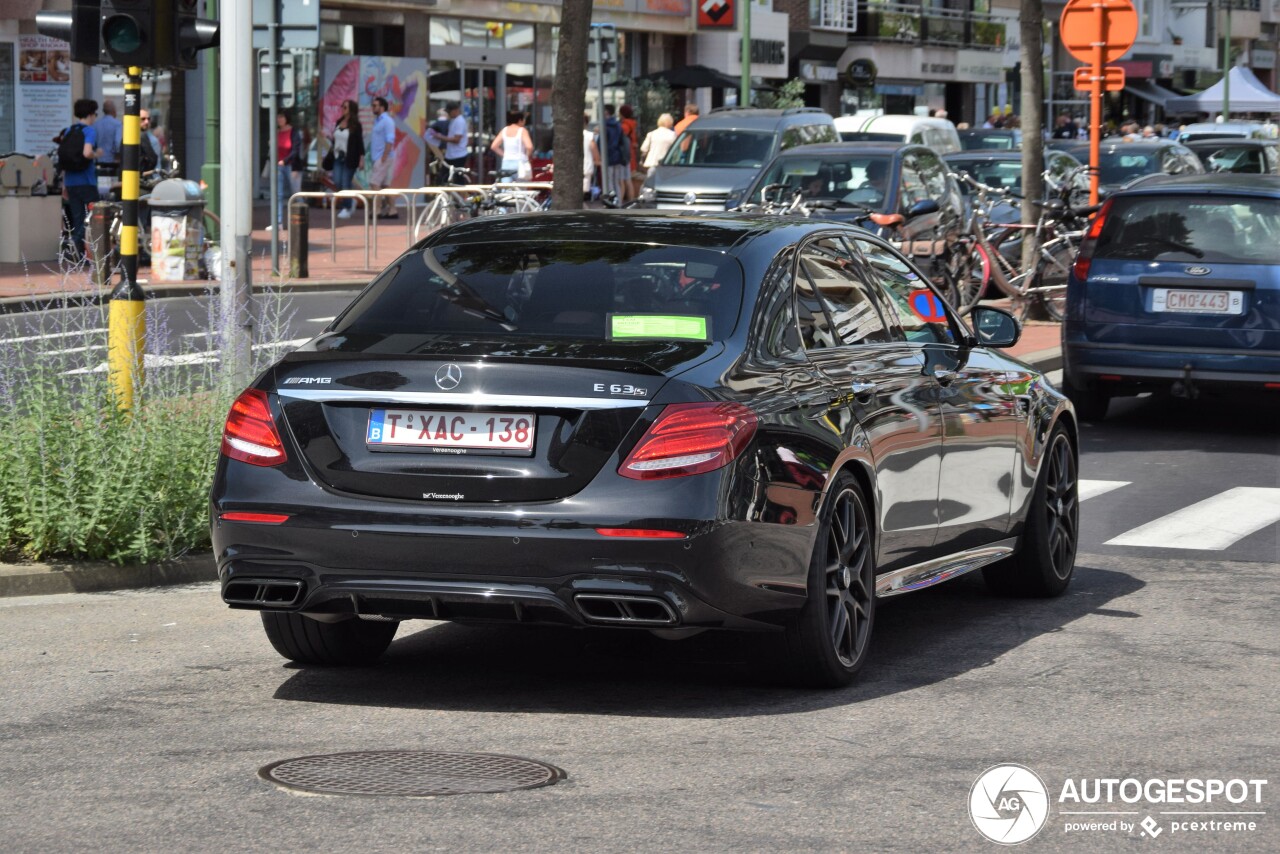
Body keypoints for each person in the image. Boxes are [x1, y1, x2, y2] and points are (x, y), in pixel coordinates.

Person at [58, 98, 101, 261]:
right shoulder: (89, 131)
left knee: (77, 218)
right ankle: (77, 245)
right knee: (94, 217)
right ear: (91, 114)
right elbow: (87, 153)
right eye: (95, 114)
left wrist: (64, 185)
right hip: (87, 182)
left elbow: (63, 159)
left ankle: (77, 253)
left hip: (70, 182)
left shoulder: (69, 131)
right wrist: (97, 154)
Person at [330, 98, 365, 219]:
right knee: (337, 181)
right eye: (342, 106)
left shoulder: (356, 125)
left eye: (345, 107)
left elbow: (360, 143)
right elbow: (335, 139)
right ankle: (351, 200)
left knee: (345, 182)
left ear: (351, 110)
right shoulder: (339, 121)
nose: (342, 109)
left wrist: (361, 159)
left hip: (350, 157)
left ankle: (347, 207)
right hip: (337, 156)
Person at [269, 111, 303, 231]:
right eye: (278, 117)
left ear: (286, 118)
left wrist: (285, 160)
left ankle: (302, 218)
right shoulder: (277, 132)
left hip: (291, 166)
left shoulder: (294, 132)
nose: (279, 119)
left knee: (296, 194)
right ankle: (277, 222)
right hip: (278, 166)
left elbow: (295, 150)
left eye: (281, 117)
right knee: (278, 194)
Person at [369, 96, 396, 218]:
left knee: (374, 183)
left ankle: (377, 210)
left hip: (383, 156)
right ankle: (393, 210)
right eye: (372, 105)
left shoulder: (387, 120)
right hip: (381, 156)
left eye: (375, 105)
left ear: (382, 107)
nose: (373, 108)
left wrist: (384, 157)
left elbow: (390, 139)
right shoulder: (378, 120)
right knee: (385, 186)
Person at [489, 110, 533, 181]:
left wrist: (505, 154)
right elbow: (529, 146)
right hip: (520, 162)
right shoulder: (522, 130)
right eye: (523, 120)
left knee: (506, 188)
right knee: (520, 189)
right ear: (519, 120)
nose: (524, 122)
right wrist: (526, 157)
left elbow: (494, 146)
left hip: (506, 162)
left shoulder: (504, 130)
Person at [600, 104, 630, 200]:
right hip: (617, 156)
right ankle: (618, 202)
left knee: (609, 182)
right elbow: (622, 141)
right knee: (616, 181)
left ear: (606, 112)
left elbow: (601, 142)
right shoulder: (618, 125)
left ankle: (611, 202)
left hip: (607, 157)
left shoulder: (604, 125)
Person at [95, 99, 121, 192]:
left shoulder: (96, 124)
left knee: (100, 190)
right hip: (112, 163)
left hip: (98, 163)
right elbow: (118, 143)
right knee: (111, 190)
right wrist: (117, 156)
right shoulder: (117, 124)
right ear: (114, 111)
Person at [441, 100, 469, 172]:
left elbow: (456, 140)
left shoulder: (460, 121)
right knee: (445, 177)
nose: (448, 114)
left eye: (449, 112)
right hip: (451, 155)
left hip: (458, 155)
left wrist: (440, 137)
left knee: (457, 178)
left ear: (455, 110)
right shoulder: (453, 120)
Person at [618, 104, 639, 201]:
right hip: (631, 154)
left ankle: (619, 201)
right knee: (628, 179)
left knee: (621, 180)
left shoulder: (624, 126)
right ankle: (631, 200)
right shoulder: (632, 124)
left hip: (624, 155)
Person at [582, 112, 600, 200]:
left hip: (571, 170)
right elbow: (595, 152)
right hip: (586, 168)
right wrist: (598, 161)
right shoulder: (589, 135)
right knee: (583, 196)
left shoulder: (568, 136)